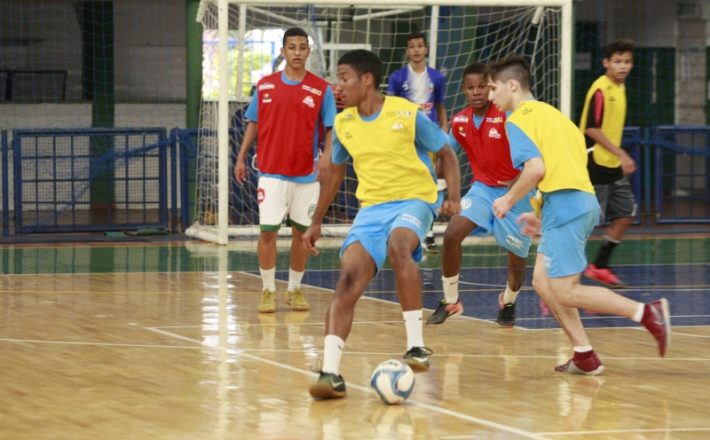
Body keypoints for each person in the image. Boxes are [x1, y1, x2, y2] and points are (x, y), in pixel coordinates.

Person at [488, 56, 670, 374]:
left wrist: (507, 198)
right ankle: (584, 355)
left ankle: (647, 313)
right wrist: (543, 216)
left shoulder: (516, 120)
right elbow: (563, 169)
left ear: (512, 85)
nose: (491, 96)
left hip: (569, 207)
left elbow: (536, 169)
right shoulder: (556, 117)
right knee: (544, 283)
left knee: (565, 289)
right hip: (573, 204)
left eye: (493, 88)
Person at [304, 49, 461, 399]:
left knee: (399, 245)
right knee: (348, 277)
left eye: (343, 78)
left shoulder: (406, 113)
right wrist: (315, 221)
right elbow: (334, 173)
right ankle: (330, 373)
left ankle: (416, 346)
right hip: (372, 209)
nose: (337, 87)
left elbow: (447, 153)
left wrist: (453, 195)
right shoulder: (344, 124)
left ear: (367, 80)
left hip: (415, 200)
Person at [234, 27, 336, 314]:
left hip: (307, 174)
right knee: (268, 232)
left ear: (309, 52)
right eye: (292, 47)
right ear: (283, 51)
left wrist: (326, 158)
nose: (297, 53)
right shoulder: (265, 86)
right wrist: (241, 157)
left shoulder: (321, 89)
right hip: (271, 172)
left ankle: (294, 289)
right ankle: (267, 291)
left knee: (302, 235)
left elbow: (330, 128)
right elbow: (252, 123)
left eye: (303, 48)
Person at [426, 62, 532, 328]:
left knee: (516, 260)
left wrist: (517, 185)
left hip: (516, 191)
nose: (476, 92)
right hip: (483, 189)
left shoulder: (507, 115)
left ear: (491, 88)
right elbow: (446, 156)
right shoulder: (460, 121)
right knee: (451, 235)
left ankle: (508, 300)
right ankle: (451, 301)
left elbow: (532, 156)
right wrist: (434, 183)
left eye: (482, 87)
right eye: (470, 88)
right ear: (463, 90)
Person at [579, 39, 636, 288]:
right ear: (606, 63)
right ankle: (555, 271)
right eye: (617, 62)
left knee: (625, 214)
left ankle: (599, 266)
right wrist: (621, 153)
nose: (622, 67)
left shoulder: (620, 87)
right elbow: (591, 127)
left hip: (612, 165)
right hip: (595, 163)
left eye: (627, 62)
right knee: (587, 222)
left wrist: (618, 157)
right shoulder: (600, 90)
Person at [387, 31, 449, 252]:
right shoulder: (397, 77)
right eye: (411, 46)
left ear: (426, 49)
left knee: (429, 182)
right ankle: (400, 227)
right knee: (404, 183)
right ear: (406, 51)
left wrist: (444, 130)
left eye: (419, 46)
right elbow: (390, 107)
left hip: (429, 137)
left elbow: (440, 106)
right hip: (404, 137)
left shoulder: (437, 78)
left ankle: (428, 232)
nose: (416, 50)